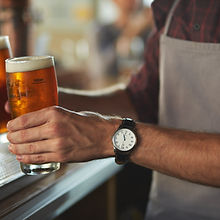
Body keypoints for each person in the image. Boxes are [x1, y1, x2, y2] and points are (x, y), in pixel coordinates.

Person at [5, 0, 220, 219]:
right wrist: (42, 101)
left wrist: (108, 136)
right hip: (166, 210)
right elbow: (141, 100)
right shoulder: (171, 7)